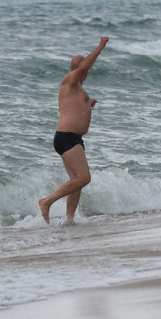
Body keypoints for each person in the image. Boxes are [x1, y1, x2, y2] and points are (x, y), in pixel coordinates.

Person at [38, 36, 109, 225]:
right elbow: (84, 67)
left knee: (76, 182)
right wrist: (100, 46)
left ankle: (69, 219)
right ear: (78, 69)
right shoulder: (69, 81)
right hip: (66, 138)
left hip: (73, 138)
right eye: (82, 67)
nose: (85, 71)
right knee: (84, 178)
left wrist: (88, 104)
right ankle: (47, 202)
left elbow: (75, 108)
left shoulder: (78, 89)